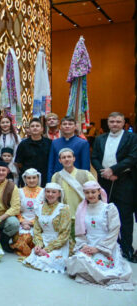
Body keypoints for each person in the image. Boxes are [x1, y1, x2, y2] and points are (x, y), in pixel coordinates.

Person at [66, 181, 134, 290]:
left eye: (93, 192)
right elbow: (80, 233)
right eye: (87, 192)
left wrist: (98, 249)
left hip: (105, 246)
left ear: (99, 192)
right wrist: (84, 246)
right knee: (79, 260)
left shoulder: (109, 208)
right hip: (88, 244)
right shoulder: (82, 209)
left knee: (103, 267)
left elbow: (114, 231)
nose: (90, 195)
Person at [91, 112, 137, 262]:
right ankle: (109, 247)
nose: (115, 124)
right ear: (108, 123)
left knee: (125, 215)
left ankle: (126, 248)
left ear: (124, 122)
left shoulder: (132, 138)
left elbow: (132, 157)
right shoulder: (100, 138)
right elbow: (95, 157)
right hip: (104, 180)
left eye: (118, 121)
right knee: (105, 214)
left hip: (124, 180)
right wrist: (104, 172)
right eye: (112, 121)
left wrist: (114, 170)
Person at [23, 183, 71, 273]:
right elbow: (37, 229)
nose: (50, 194)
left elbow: (64, 234)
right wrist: (38, 245)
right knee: (34, 259)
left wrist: (47, 249)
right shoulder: (39, 207)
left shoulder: (64, 209)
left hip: (58, 243)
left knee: (45, 261)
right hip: (43, 241)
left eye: (54, 192)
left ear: (59, 194)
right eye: (48, 192)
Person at [51, 148, 96, 220]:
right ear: (60, 160)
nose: (66, 159)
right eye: (63, 157)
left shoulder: (85, 174)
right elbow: (52, 197)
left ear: (74, 158)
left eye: (69, 157)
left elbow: (96, 193)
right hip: (63, 217)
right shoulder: (56, 176)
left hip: (84, 216)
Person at [10, 169, 45, 257]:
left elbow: (45, 211)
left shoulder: (44, 192)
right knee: (23, 237)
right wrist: (22, 221)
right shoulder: (19, 191)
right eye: (29, 178)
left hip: (38, 222)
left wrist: (32, 223)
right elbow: (15, 209)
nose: (31, 180)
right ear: (25, 179)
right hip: (22, 221)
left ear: (38, 178)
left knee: (33, 239)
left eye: (34, 178)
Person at [47, 116, 90, 181]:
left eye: (70, 124)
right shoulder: (55, 143)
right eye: (64, 124)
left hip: (76, 180)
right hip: (58, 179)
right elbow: (51, 164)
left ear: (75, 127)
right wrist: (49, 181)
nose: (67, 126)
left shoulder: (83, 143)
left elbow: (85, 166)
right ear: (60, 127)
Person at [0, 162, 20, 253]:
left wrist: (0, 218)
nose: (1, 172)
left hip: (3, 216)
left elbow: (16, 207)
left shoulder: (12, 186)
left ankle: (3, 242)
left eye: (3, 170)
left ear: (7, 171)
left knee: (14, 223)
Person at [15, 118, 52, 185]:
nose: (35, 128)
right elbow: (19, 163)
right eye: (32, 126)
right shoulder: (23, 144)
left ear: (42, 129)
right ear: (29, 129)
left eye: (37, 126)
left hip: (44, 177)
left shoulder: (49, 143)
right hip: (28, 178)